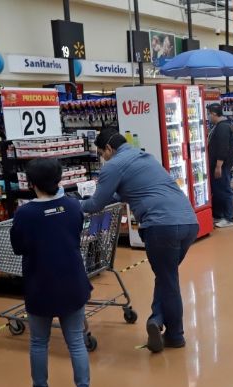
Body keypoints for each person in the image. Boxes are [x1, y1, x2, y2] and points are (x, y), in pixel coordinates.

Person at [83, 128, 199, 354]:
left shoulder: (113, 166)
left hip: (161, 226)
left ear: (108, 148)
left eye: (101, 153)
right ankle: (156, 319)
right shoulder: (144, 157)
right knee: (166, 277)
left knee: (168, 281)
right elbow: (130, 191)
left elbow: (95, 205)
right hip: (188, 222)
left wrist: (73, 204)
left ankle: (175, 336)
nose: (102, 158)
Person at [11, 158, 94, 387]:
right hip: (72, 282)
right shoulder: (71, 206)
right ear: (59, 179)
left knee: (38, 342)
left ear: (31, 184)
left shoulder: (25, 214)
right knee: (76, 343)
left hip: (40, 284)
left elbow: (18, 247)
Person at [207, 103, 233, 228]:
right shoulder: (219, 126)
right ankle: (219, 215)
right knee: (218, 191)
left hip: (221, 166)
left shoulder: (223, 127)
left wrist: (218, 166)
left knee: (224, 190)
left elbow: (223, 148)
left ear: (214, 114)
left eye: (209, 114)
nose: (208, 117)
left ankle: (228, 218)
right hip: (218, 165)